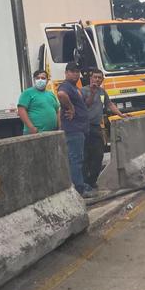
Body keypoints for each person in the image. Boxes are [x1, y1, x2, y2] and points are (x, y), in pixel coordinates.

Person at [55, 62, 96, 198]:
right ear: (66, 73)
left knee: (78, 159)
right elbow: (61, 95)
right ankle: (79, 189)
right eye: (72, 71)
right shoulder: (65, 86)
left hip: (81, 129)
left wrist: (92, 93)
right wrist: (71, 107)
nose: (75, 74)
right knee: (75, 159)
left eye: (77, 71)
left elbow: (86, 105)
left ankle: (81, 184)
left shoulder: (75, 88)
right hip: (73, 130)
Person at [81, 69, 127, 188]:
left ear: (102, 80)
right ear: (90, 78)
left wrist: (120, 114)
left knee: (98, 154)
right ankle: (85, 183)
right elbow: (86, 105)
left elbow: (109, 104)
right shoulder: (83, 91)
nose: (97, 80)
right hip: (84, 127)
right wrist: (92, 92)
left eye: (99, 78)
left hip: (96, 127)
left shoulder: (102, 92)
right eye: (95, 77)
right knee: (85, 156)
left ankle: (92, 180)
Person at [16, 70, 60, 135]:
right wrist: (31, 128)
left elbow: (57, 111)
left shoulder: (51, 94)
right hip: (35, 133)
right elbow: (21, 110)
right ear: (34, 80)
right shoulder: (27, 93)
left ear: (47, 80)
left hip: (52, 133)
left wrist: (59, 127)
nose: (40, 80)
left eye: (43, 78)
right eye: (37, 78)